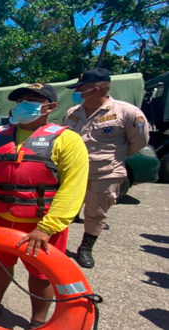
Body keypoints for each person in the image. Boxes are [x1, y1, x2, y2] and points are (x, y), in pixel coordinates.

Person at [0, 83, 89, 327]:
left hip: (40, 223)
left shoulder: (67, 140)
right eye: (20, 100)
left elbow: (72, 190)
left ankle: (37, 321)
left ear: (51, 107)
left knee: (41, 274)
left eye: (32, 99)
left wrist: (47, 228)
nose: (24, 104)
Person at [64, 68, 150, 269]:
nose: (77, 92)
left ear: (96, 89)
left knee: (96, 212)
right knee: (64, 210)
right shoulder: (73, 113)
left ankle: (85, 248)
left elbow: (139, 141)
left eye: (80, 88)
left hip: (105, 173)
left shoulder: (127, 112)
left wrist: (112, 158)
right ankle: (57, 244)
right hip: (74, 172)